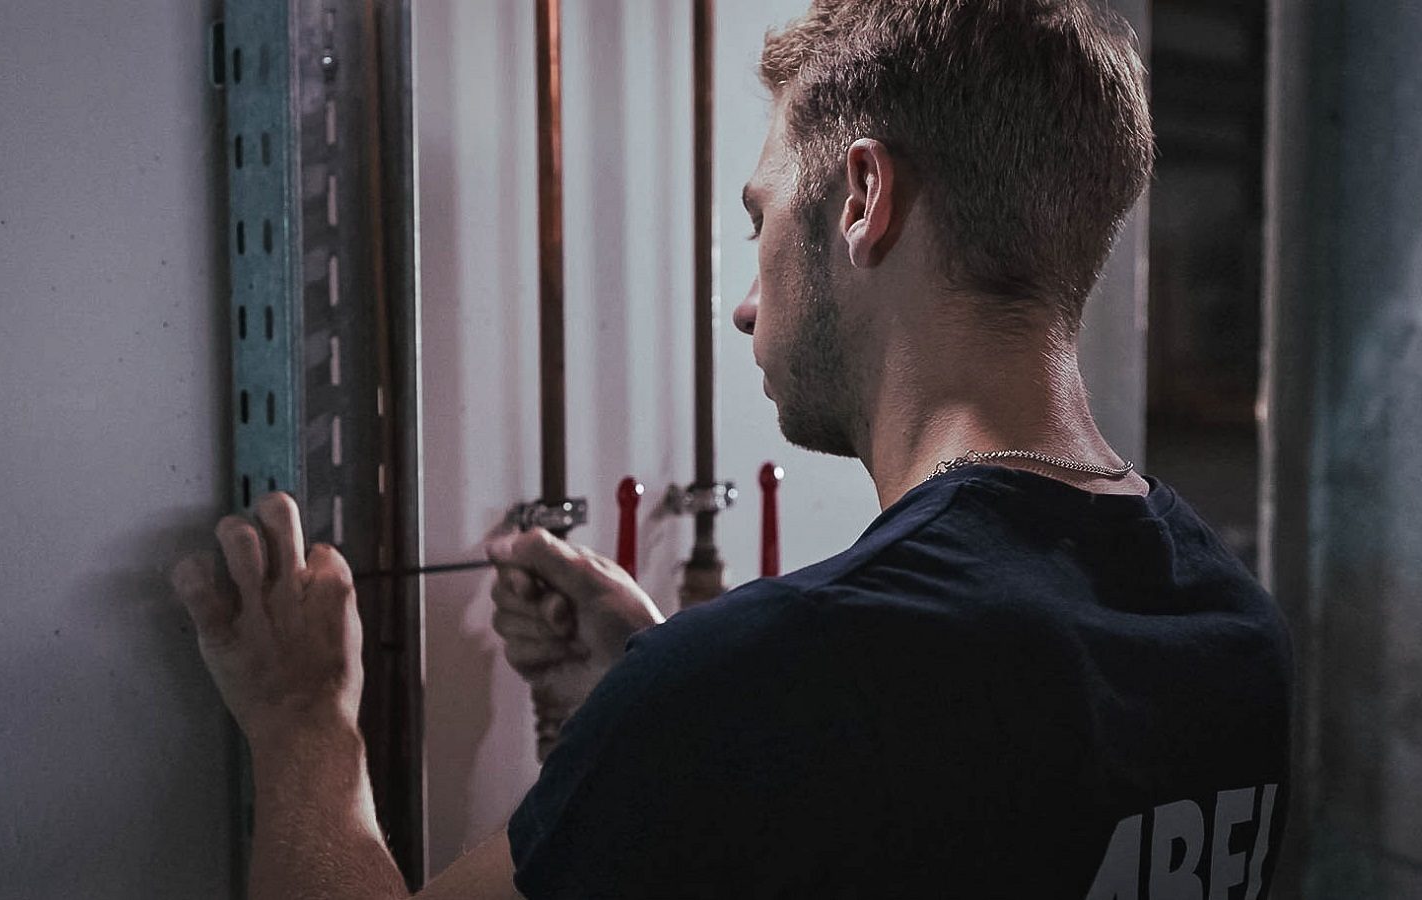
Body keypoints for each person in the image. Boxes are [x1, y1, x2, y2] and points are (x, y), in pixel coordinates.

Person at [171, 1, 1292, 897]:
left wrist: (303, 721)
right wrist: (651, 696)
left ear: (862, 198)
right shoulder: (1235, 641)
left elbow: (816, 726)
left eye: (761, 221)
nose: (749, 306)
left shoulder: (771, 687)